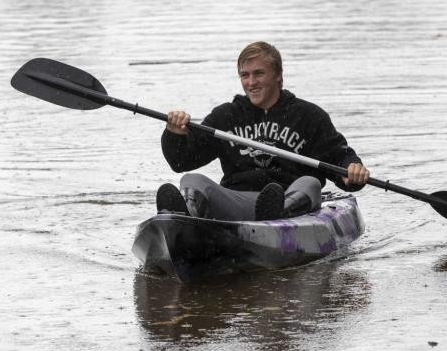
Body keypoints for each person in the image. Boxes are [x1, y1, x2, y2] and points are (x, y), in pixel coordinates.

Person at [156, 41, 370, 221]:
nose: (251, 82)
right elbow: (181, 162)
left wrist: (351, 170)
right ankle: (185, 223)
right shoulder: (225, 116)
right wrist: (175, 134)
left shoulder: (309, 116)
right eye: (244, 75)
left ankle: (279, 214)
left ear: (278, 74)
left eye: (259, 73)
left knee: (310, 183)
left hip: (292, 203)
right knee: (192, 181)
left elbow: (339, 158)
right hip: (238, 200)